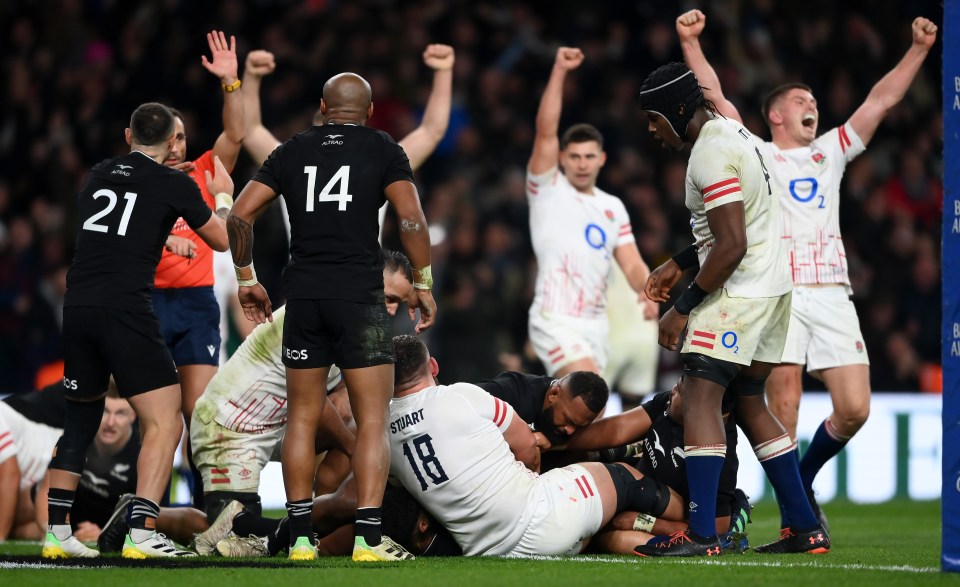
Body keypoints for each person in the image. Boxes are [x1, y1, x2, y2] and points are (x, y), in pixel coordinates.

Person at [675, 10, 938, 526]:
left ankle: (806, 477)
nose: (811, 105)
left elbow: (880, 101)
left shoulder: (828, 153)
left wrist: (919, 50)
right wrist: (690, 42)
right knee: (784, 402)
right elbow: (715, 96)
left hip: (832, 291)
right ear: (775, 115)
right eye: (800, 101)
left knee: (855, 408)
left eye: (814, 101)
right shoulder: (756, 151)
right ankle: (797, 519)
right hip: (781, 288)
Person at [227, 72, 437, 562]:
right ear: (367, 112)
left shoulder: (292, 150)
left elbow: (239, 215)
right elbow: (411, 219)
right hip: (359, 299)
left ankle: (300, 537)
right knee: (371, 422)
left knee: (299, 416)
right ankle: (367, 539)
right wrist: (422, 283)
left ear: (322, 107)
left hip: (303, 297)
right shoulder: (383, 149)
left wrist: (246, 278)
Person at [637, 63, 827, 556]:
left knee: (700, 396)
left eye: (655, 118)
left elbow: (731, 244)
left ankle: (702, 535)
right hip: (774, 286)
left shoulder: (710, 153)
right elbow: (736, 225)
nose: (652, 130)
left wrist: (682, 307)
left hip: (739, 293)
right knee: (747, 402)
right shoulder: (733, 133)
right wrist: (680, 262)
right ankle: (805, 528)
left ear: (679, 112)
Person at [41, 102, 231, 559]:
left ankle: (55, 534)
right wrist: (220, 196)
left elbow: (119, 223)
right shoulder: (174, 183)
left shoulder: (99, 173)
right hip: (126, 308)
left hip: (79, 305)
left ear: (129, 136)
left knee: (80, 419)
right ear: (172, 143)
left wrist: (163, 228)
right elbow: (224, 239)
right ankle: (142, 532)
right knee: (165, 419)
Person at [186, 250, 417, 554]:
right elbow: (314, 403)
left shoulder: (354, 320)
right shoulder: (324, 314)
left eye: (397, 303)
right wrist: (353, 449)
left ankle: (320, 518)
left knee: (358, 416)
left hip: (280, 423)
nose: (389, 311)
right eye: (387, 297)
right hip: (230, 426)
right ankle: (144, 517)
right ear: (367, 282)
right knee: (225, 536)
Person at [387, 334, 681, 556]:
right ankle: (700, 526)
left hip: (486, 551)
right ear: (434, 366)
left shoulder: (383, 433)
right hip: (541, 517)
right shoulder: (461, 395)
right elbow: (527, 445)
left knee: (606, 529)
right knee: (622, 477)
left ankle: (660, 528)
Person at [526, 47, 656, 378]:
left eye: (589, 157)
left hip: (597, 326)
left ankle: (532, 431)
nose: (582, 164)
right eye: (574, 156)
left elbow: (632, 263)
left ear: (602, 159)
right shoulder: (547, 191)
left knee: (581, 417)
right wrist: (558, 71)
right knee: (586, 390)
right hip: (555, 319)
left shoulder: (611, 207)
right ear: (562, 159)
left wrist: (648, 291)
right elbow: (545, 130)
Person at [152, 31, 244, 485]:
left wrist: (231, 82)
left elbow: (236, 132)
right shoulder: (136, 182)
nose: (178, 146)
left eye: (183, 137)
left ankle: (198, 508)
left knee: (199, 410)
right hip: (146, 302)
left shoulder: (206, 170)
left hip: (196, 305)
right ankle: (144, 510)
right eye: (169, 138)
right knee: (150, 413)